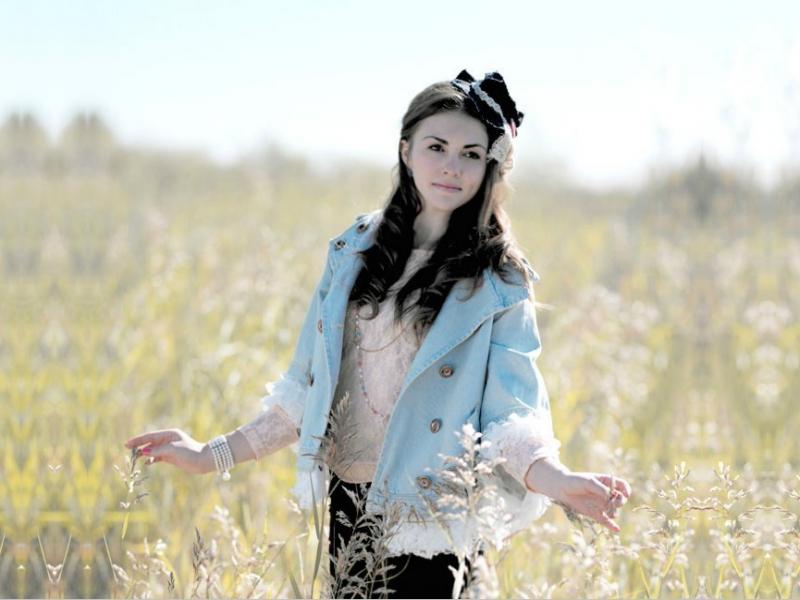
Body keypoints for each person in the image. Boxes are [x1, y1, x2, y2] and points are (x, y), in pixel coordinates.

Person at [125, 69, 632, 599]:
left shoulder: (499, 281)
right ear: (406, 150)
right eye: (436, 147)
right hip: (350, 504)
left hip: (435, 521)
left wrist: (559, 481)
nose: (452, 166)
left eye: (471, 154)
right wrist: (210, 454)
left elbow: (511, 417)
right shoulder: (353, 251)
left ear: (490, 165)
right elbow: (307, 394)